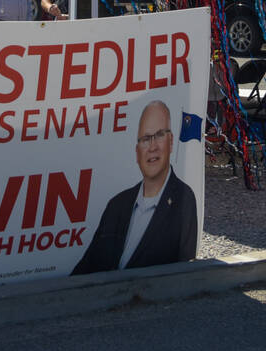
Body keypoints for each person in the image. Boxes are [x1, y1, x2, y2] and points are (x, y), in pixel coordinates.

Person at [72, 100, 197, 275]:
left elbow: (185, 273)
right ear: (137, 151)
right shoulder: (116, 205)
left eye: (159, 135)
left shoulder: (183, 199)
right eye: (146, 139)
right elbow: (86, 268)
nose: (152, 147)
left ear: (171, 141)